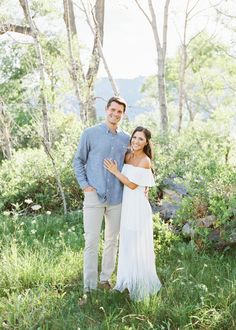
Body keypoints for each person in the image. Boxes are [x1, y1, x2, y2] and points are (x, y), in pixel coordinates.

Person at [73, 96, 130, 299]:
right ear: (106, 110)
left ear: (123, 115)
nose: (115, 114)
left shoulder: (126, 139)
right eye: (112, 110)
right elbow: (78, 161)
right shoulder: (90, 134)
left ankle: (105, 279)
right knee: (91, 241)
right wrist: (85, 186)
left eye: (119, 112)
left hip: (117, 197)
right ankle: (89, 286)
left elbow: (132, 164)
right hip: (94, 196)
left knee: (112, 240)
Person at [104, 126, 162, 301]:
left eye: (141, 139)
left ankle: (140, 283)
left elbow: (133, 185)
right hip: (127, 204)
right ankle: (126, 280)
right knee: (127, 243)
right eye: (134, 138)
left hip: (138, 206)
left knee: (137, 244)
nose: (136, 141)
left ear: (146, 143)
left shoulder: (145, 160)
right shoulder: (128, 155)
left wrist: (115, 172)